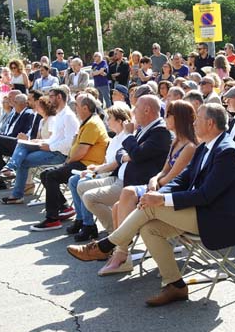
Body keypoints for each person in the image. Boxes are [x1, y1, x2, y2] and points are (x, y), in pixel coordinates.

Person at [66, 103, 235, 307]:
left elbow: (206, 195)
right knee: (149, 228)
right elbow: (182, 179)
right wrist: (158, 194)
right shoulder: (206, 145)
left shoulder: (227, 152)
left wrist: (161, 200)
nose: (194, 122)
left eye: (198, 118)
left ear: (210, 123)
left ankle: (106, 245)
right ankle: (175, 285)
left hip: (218, 219)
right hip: (202, 211)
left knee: (152, 207)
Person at [98, 100, 197, 274]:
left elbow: (174, 178)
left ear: (178, 118)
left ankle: (119, 253)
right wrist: (155, 178)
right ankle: (122, 255)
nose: (164, 118)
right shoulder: (176, 142)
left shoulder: (189, 146)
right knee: (117, 207)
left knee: (128, 193)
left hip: (173, 193)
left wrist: (157, 182)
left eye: (168, 115)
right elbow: (164, 171)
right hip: (160, 185)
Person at [67, 95, 172, 236]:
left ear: (147, 110)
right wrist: (126, 155)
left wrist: (129, 136)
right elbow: (123, 151)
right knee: (80, 185)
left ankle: (115, 235)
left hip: (134, 184)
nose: (133, 113)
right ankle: (117, 233)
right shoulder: (144, 128)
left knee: (89, 197)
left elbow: (137, 154)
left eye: (137, 109)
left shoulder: (160, 132)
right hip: (122, 177)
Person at [30, 93, 109, 231]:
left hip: (87, 164)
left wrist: (67, 162)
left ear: (85, 108)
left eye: (77, 106)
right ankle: (65, 208)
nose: (75, 108)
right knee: (45, 175)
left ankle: (52, 219)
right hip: (81, 162)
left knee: (52, 176)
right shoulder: (87, 122)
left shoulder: (92, 124)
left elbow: (81, 151)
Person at [0, 89, 78, 203]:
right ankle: (9, 169)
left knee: (22, 161)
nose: (49, 99)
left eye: (51, 96)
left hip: (59, 154)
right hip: (50, 147)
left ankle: (16, 191)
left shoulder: (68, 116)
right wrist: (38, 142)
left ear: (59, 97)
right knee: (22, 144)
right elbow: (54, 138)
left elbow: (70, 142)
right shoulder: (59, 115)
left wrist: (49, 146)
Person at [66, 105, 132, 241]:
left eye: (110, 118)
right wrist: (94, 167)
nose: (107, 121)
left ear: (119, 121)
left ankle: (107, 230)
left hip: (114, 175)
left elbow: (116, 164)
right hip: (107, 172)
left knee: (81, 182)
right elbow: (108, 161)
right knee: (74, 181)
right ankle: (83, 220)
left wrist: (97, 169)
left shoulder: (126, 137)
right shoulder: (114, 139)